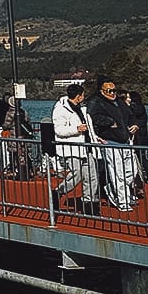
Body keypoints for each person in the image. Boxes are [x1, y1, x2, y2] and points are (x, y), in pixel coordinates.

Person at [86, 77, 139, 211]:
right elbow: (92, 117)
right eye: (109, 90)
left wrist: (134, 124)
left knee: (132, 171)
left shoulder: (119, 102)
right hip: (110, 141)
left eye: (114, 90)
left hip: (126, 141)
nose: (113, 93)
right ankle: (123, 201)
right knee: (117, 172)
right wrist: (109, 122)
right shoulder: (96, 102)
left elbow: (130, 115)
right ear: (102, 91)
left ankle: (113, 189)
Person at [52, 83, 101, 213]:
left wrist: (95, 138)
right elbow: (59, 130)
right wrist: (76, 129)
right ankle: (59, 191)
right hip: (73, 148)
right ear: (79, 96)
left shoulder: (82, 109)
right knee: (77, 174)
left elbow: (88, 126)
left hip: (86, 146)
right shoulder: (60, 109)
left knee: (91, 176)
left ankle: (89, 203)